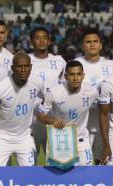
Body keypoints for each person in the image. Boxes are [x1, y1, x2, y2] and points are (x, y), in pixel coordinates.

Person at [37, 60, 99, 166]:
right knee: (58, 180)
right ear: (65, 76)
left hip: (82, 141)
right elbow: (39, 116)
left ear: (83, 76)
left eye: (78, 74)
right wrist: (51, 120)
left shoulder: (92, 92)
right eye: (71, 74)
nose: (75, 78)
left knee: (86, 178)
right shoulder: (54, 92)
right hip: (60, 141)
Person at [0, 52, 43, 166]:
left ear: (31, 67)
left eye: (26, 66)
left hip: (24, 137)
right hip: (1, 137)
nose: (23, 70)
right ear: (13, 68)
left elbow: (45, 99)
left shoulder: (38, 82)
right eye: (19, 66)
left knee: (31, 174)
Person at [75, 28, 113, 164]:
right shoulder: (75, 64)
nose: (92, 45)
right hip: (81, 126)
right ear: (83, 45)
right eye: (88, 42)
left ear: (100, 44)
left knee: (103, 164)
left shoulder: (111, 66)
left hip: (104, 125)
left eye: (95, 41)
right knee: (81, 168)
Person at [29, 26, 66, 157]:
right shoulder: (25, 60)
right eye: (38, 38)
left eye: (44, 38)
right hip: (30, 120)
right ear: (31, 41)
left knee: (56, 162)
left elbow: (65, 87)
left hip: (53, 120)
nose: (42, 41)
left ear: (49, 41)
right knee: (28, 164)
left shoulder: (59, 61)